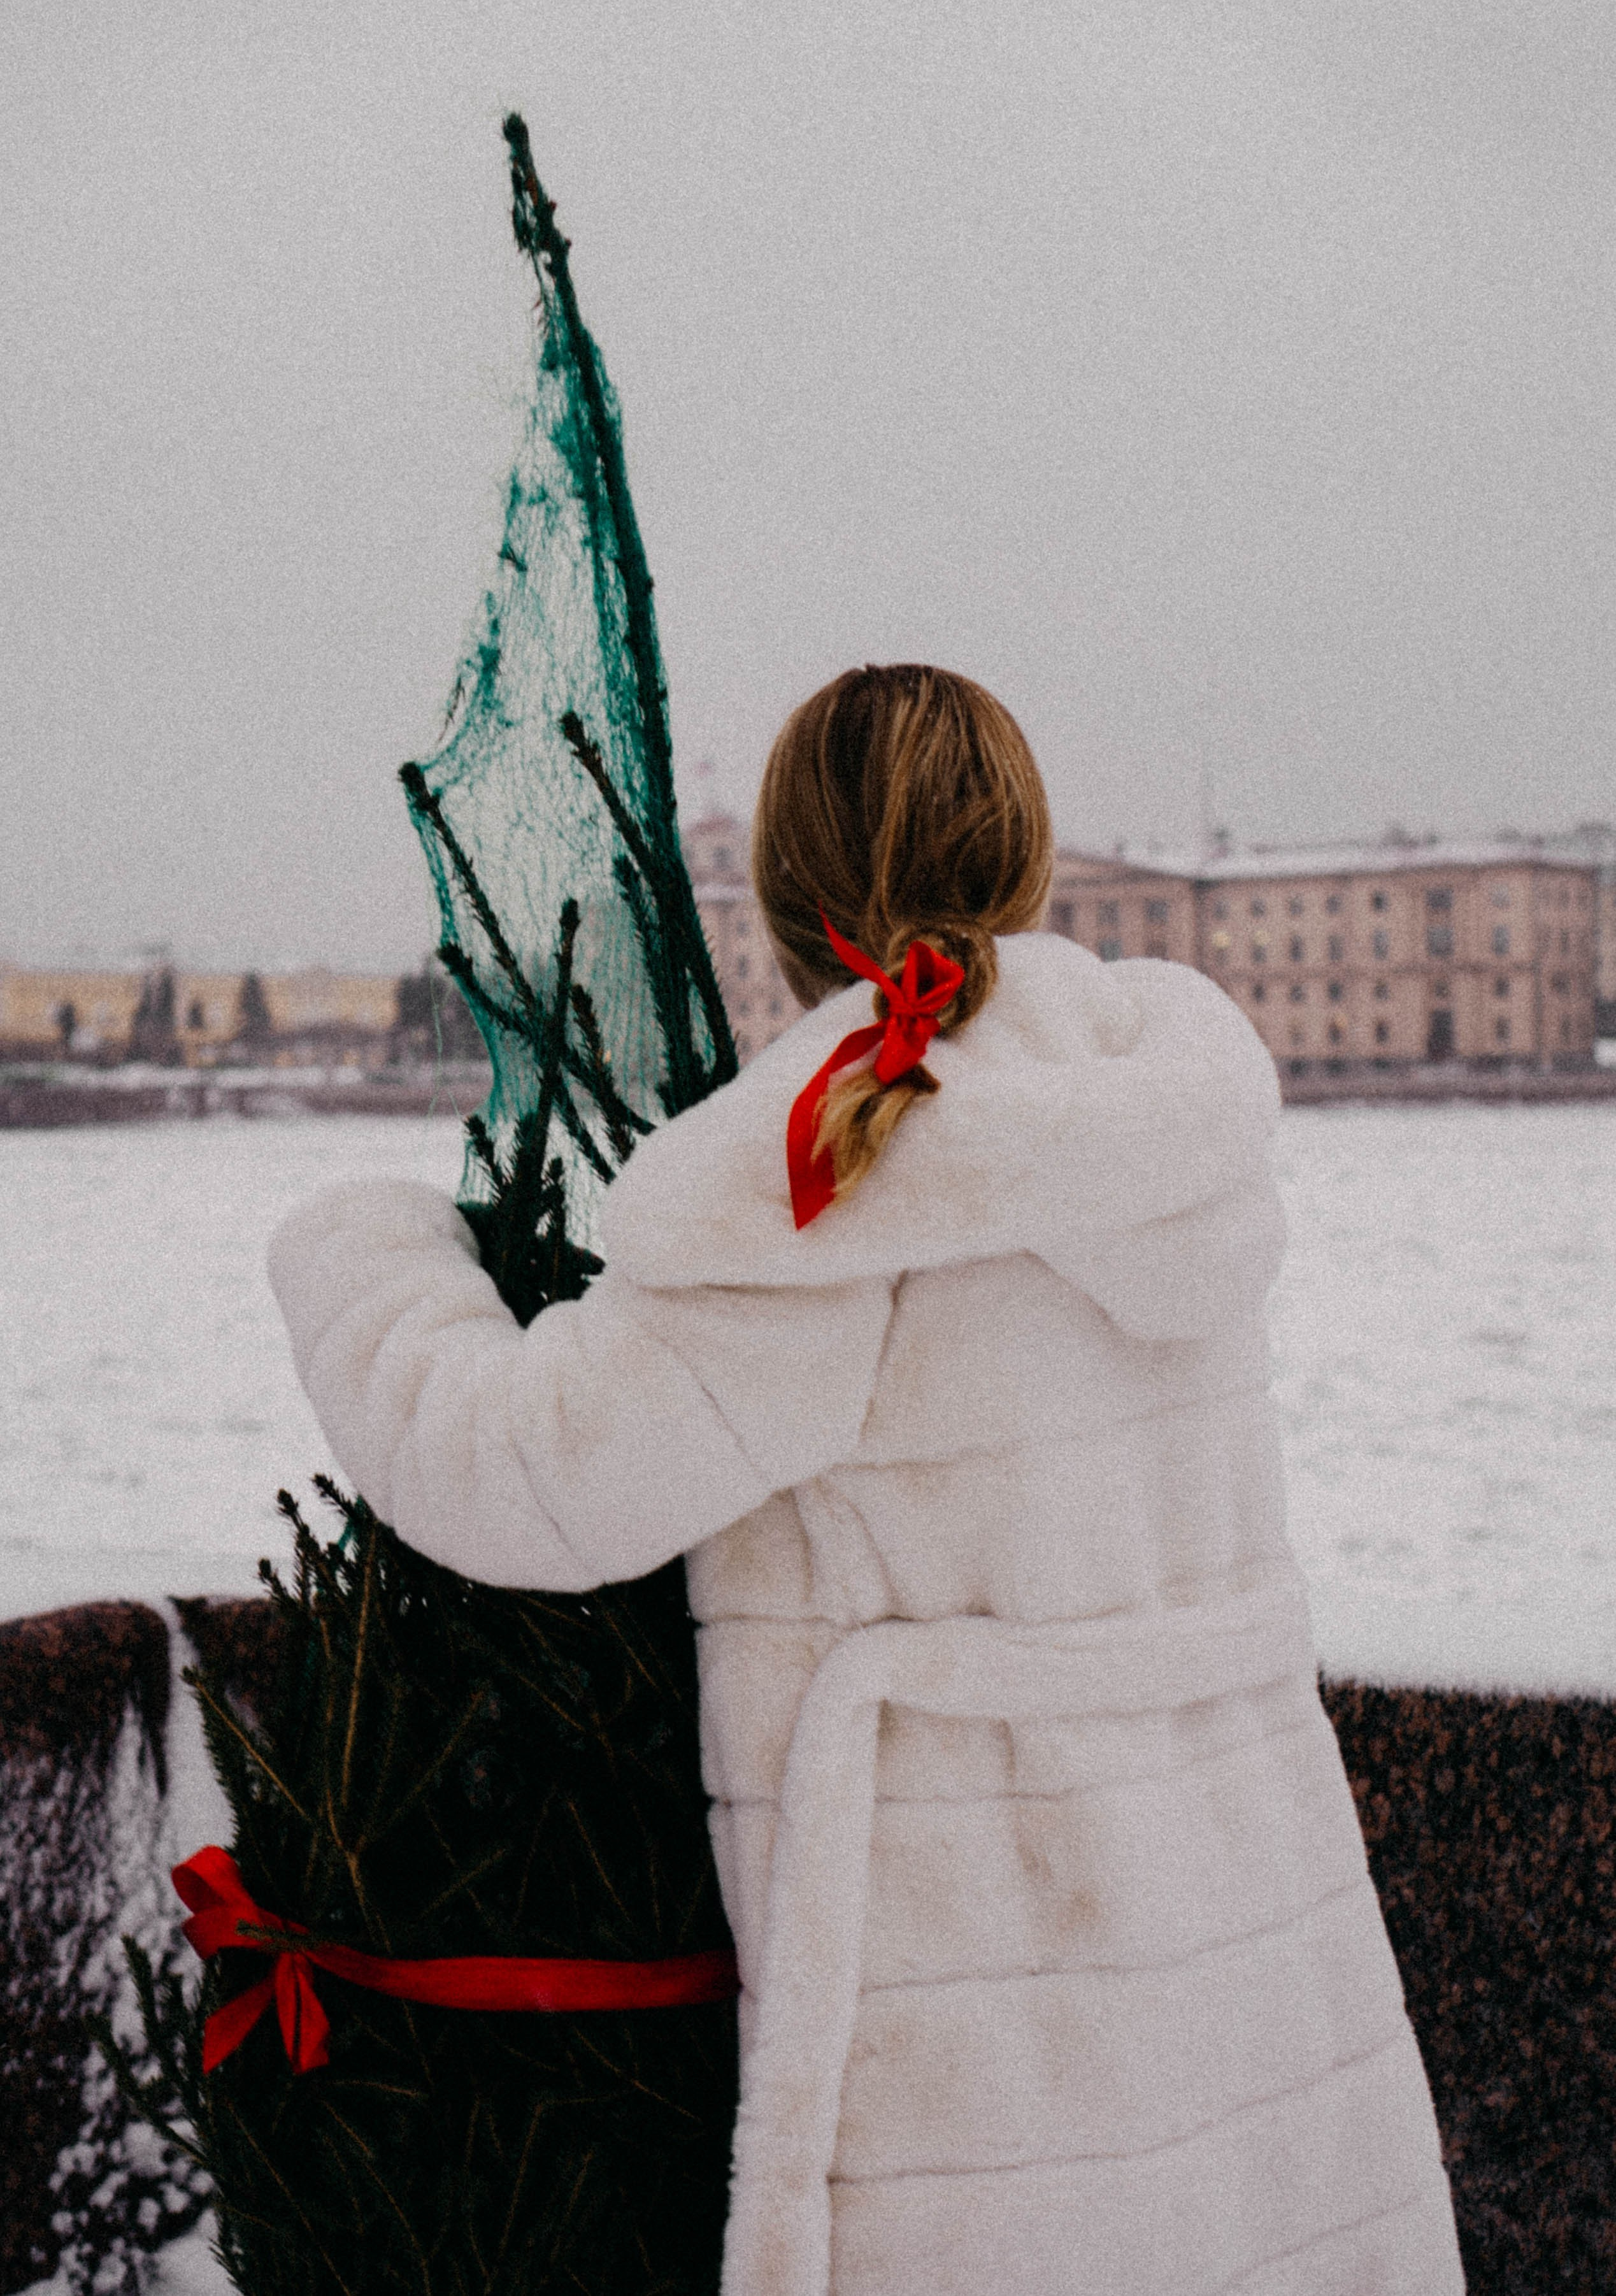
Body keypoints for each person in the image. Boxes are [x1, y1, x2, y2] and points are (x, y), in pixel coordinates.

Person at [268, 664, 1465, 2295]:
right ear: (1030, 864)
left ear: (784, 904)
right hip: (1255, 1969)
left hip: (985, 2049)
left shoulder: (824, 1180)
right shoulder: (1160, 1125)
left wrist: (368, 1252)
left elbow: (518, 1475)